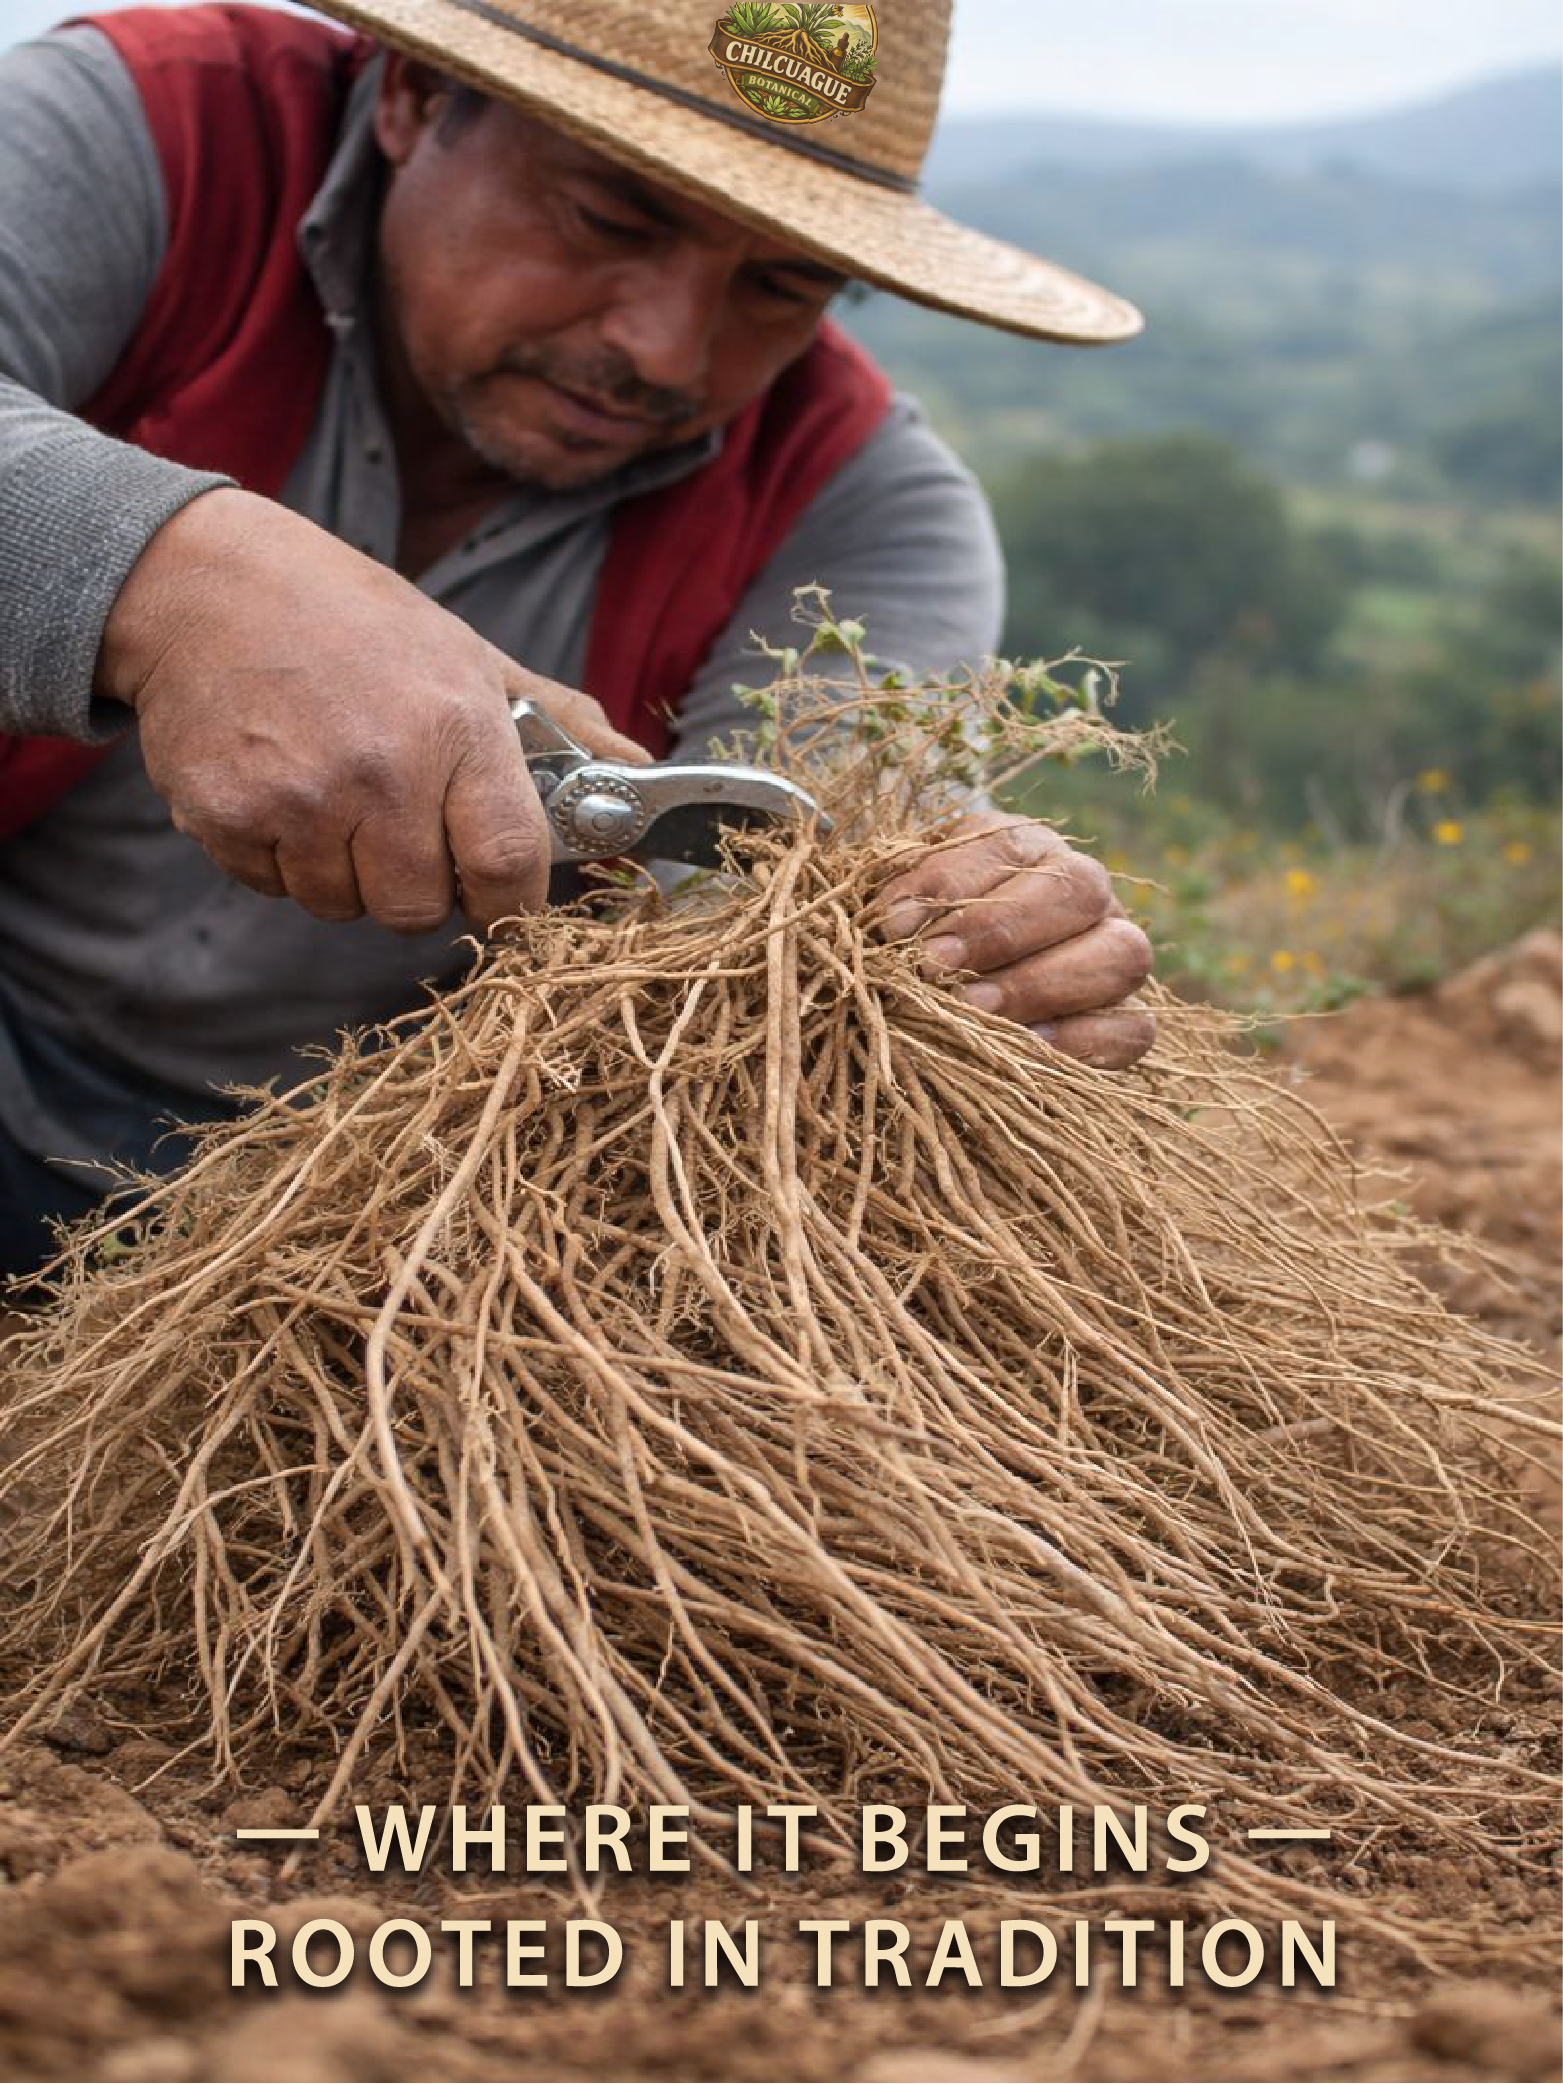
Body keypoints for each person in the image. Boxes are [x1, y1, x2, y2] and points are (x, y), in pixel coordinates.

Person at [0, 0, 1155, 1279]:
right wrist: (188, 575)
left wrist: (967, 941)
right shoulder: (151, 139)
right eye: (610, 218)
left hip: (350, 1237)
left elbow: (799, 897)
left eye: (779, 285)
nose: (661, 348)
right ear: (416, 99)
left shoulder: (862, 507)